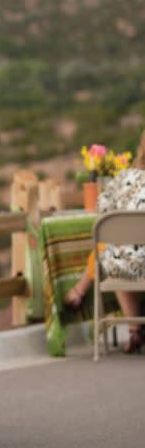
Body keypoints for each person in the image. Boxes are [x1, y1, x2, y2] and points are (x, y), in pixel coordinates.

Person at [63, 128, 145, 352]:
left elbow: (102, 210)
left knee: (114, 253)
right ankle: (135, 331)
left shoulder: (126, 178)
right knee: (116, 251)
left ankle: (134, 331)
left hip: (126, 265)